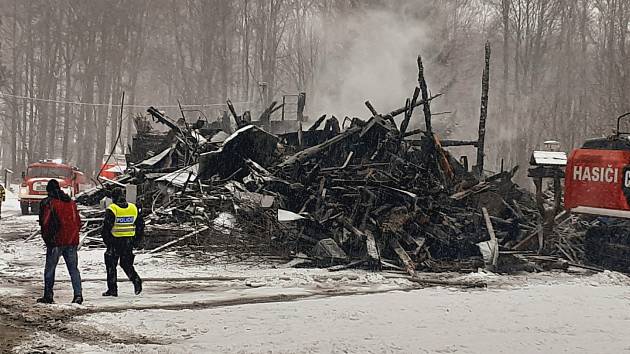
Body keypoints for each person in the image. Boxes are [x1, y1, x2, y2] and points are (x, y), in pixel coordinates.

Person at [37, 179, 83, 304]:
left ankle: (48, 295)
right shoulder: (71, 203)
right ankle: (78, 295)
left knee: (50, 269)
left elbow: (45, 222)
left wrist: (48, 238)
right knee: (73, 269)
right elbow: (78, 222)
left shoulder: (49, 203)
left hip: (56, 241)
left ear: (48, 190)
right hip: (72, 240)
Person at [101, 187, 143, 297]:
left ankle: (112, 289)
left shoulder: (112, 209)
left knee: (111, 266)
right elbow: (140, 225)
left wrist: (108, 242)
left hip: (115, 241)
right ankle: (136, 280)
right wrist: (136, 240)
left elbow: (106, 228)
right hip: (128, 241)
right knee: (126, 264)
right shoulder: (133, 208)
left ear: (113, 198)